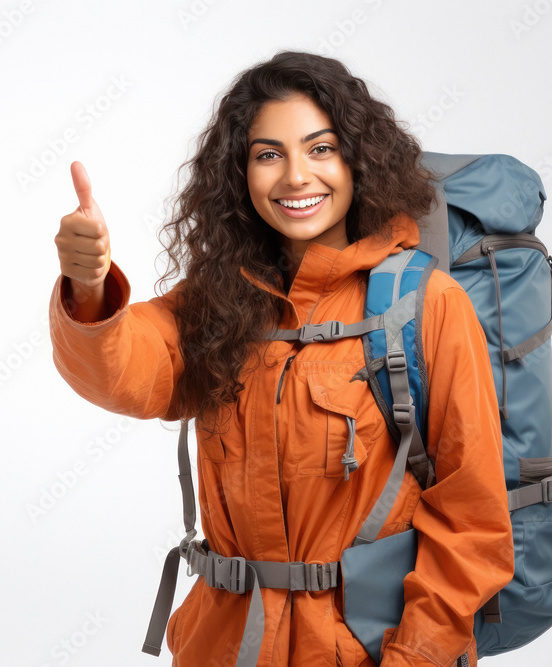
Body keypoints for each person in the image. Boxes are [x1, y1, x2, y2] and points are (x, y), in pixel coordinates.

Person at [49, 50, 513, 667]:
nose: (296, 176)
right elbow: (125, 373)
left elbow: (472, 524)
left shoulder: (426, 305)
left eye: (321, 149)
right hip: (225, 647)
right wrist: (90, 286)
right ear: (239, 175)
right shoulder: (216, 301)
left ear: (358, 160)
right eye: (269, 154)